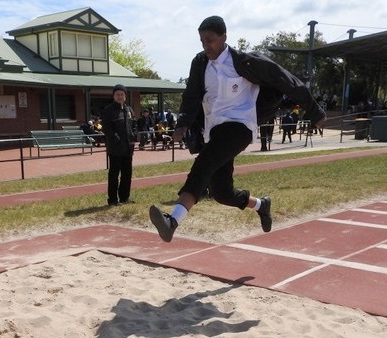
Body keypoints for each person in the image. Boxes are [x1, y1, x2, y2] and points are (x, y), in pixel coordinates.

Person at [148, 15, 325, 242]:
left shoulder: (246, 62)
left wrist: (315, 111)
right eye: (201, 41)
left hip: (240, 125)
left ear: (224, 37)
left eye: (209, 40)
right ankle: (262, 205)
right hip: (214, 129)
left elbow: (286, 80)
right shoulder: (200, 63)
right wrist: (182, 123)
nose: (205, 46)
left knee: (203, 165)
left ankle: (172, 221)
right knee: (221, 193)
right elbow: (191, 95)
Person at [100, 84, 136, 206]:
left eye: (122, 94)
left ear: (125, 96)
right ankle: (113, 200)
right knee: (114, 175)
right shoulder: (108, 110)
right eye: (117, 94)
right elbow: (107, 129)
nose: (120, 96)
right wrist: (117, 139)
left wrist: (133, 137)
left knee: (127, 174)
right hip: (115, 149)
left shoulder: (129, 110)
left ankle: (124, 197)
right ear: (114, 96)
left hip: (128, 149)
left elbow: (134, 126)